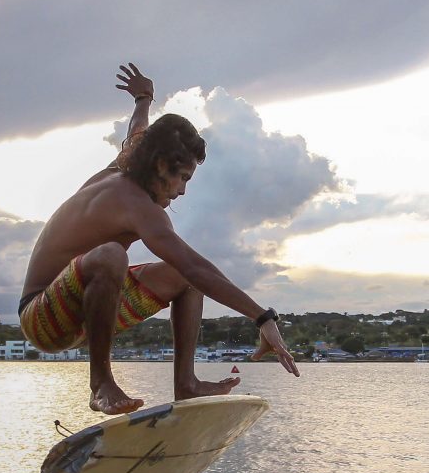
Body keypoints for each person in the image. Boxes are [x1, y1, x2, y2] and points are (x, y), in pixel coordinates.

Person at [18, 62, 300, 414]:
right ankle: (101, 384)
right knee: (113, 256)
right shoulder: (134, 203)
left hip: (82, 311)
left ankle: (187, 384)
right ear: (159, 166)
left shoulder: (130, 160)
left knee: (183, 277)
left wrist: (143, 98)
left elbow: (139, 129)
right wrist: (262, 317)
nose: (181, 191)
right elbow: (197, 266)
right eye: (181, 178)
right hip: (43, 318)